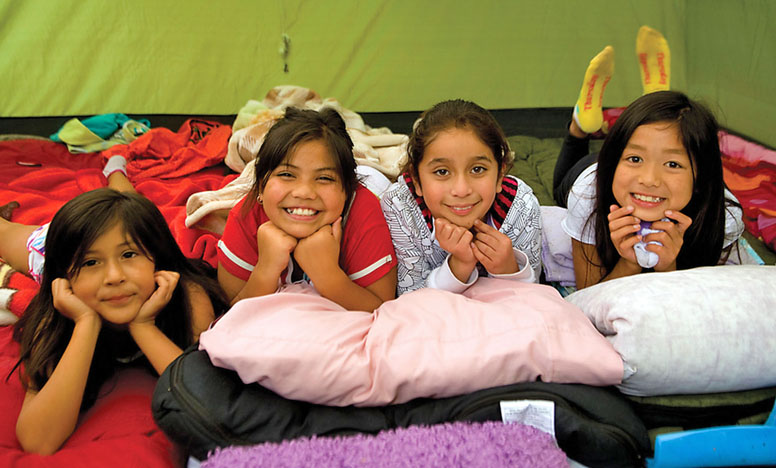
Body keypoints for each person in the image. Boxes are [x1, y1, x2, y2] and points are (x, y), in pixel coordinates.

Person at [7, 163, 226, 454]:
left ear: (157, 261)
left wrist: (144, 327)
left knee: (129, 206)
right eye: (91, 262)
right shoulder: (54, 314)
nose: (114, 276)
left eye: (129, 254)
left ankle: (116, 171)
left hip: (119, 228)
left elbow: (211, 402)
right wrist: (85, 322)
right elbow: (39, 441)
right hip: (51, 248)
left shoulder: (187, 296)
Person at [553, 28, 743, 289]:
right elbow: (587, 297)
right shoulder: (588, 194)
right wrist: (630, 263)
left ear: (700, 178)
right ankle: (579, 126)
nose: (650, 179)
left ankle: (649, 107)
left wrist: (667, 268)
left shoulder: (723, 218)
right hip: (592, 169)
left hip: (622, 162)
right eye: (635, 159)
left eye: (673, 164)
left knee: (648, 145)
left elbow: (697, 306)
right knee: (559, 185)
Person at [216, 107, 398, 312]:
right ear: (260, 186)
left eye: (324, 178)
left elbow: (383, 311)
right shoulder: (245, 216)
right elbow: (228, 315)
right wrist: (266, 269)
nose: (304, 192)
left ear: (347, 191)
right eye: (286, 175)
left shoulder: (362, 210)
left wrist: (327, 274)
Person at [381, 99, 543, 296]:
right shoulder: (401, 207)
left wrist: (508, 268)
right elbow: (410, 298)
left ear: (500, 175)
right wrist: (459, 265)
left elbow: (535, 297)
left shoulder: (521, 206)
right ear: (416, 180)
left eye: (477, 169)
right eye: (442, 172)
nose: (461, 190)